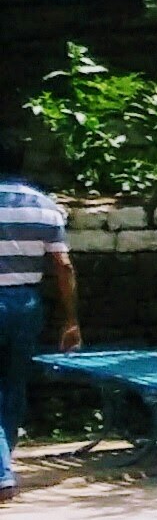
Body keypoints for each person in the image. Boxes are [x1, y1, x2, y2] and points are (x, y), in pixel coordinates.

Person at [0, 129, 76, 498]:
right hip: (26, 304)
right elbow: (63, 266)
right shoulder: (45, 206)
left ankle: (1, 472)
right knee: (14, 384)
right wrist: (71, 319)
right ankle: (5, 457)